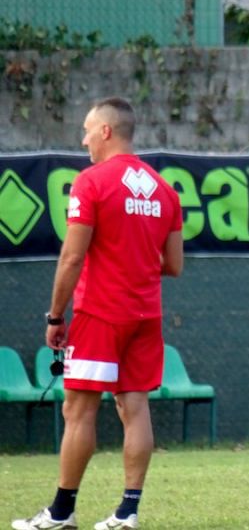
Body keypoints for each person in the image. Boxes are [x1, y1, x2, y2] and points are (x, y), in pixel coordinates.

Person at [12, 97, 184, 530]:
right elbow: (174, 265)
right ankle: (128, 512)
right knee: (135, 406)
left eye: (88, 130)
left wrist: (55, 317)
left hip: (100, 313)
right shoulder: (164, 190)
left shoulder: (90, 182)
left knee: (78, 411)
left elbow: (72, 257)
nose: (84, 140)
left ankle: (61, 512)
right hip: (145, 316)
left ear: (106, 131)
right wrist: (134, 258)